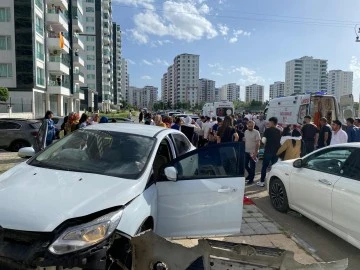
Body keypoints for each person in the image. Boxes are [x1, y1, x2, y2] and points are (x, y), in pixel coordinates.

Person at [258, 117, 281, 187]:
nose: (268, 123)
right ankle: (273, 182)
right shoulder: (279, 131)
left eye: (269, 122)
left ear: (272, 122)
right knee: (274, 168)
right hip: (276, 152)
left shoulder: (267, 130)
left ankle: (262, 181)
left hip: (268, 151)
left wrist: (261, 143)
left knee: (264, 166)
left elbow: (263, 140)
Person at [244, 121, 261, 185]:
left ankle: (251, 179)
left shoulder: (256, 132)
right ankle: (250, 174)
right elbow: (245, 140)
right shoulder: (245, 131)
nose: (250, 127)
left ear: (254, 126)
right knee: (245, 165)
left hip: (253, 152)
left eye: (252, 126)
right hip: (246, 151)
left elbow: (258, 143)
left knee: (252, 166)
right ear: (247, 125)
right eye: (249, 126)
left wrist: (256, 153)